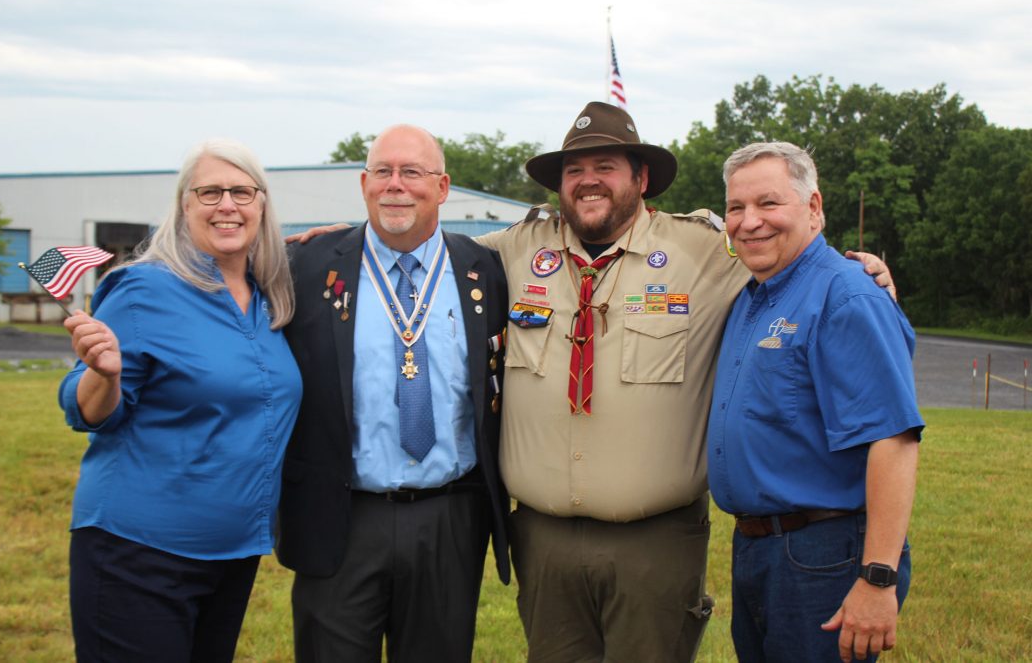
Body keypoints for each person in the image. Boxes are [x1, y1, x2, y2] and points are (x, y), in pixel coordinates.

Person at [289, 103, 893, 662]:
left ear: (642, 179)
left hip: (654, 542)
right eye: (574, 169)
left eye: (606, 166)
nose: (588, 180)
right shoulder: (512, 252)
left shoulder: (708, 251)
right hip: (543, 541)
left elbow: (783, 251)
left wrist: (852, 266)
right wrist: (342, 241)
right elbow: (416, 241)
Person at [58, 138, 303, 661]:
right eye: (209, 192)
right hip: (138, 549)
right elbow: (85, 409)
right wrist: (104, 375)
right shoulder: (145, 289)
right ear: (184, 205)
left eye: (242, 191)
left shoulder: (269, 297)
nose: (227, 205)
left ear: (262, 203)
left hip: (233, 552)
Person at [277, 124, 510, 663]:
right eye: (382, 171)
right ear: (363, 183)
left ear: (444, 186)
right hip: (340, 517)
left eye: (412, 172)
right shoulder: (306, 266)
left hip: (450, 516)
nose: (395, 185)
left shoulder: (485, 270)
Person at [706, 141, 922, 663]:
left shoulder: (846, 296)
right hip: (760, 548)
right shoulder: (753, 294)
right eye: (736, 208)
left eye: (768, 203)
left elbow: (893, 441)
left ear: (814, 207)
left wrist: (877, 579)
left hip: (823, 553)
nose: (749, 221)